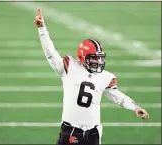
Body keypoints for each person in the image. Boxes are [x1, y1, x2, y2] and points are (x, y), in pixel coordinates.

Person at [34, 8, 149, 145]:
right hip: (71, 129)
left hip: (93, 131)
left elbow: (118, 96)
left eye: (99, 58)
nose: (98, 62)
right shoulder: (69, 67)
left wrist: (134, 107)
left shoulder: (105, 77)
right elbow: (50, 54)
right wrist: (42, 30)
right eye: (94, 58)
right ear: (82, 58)